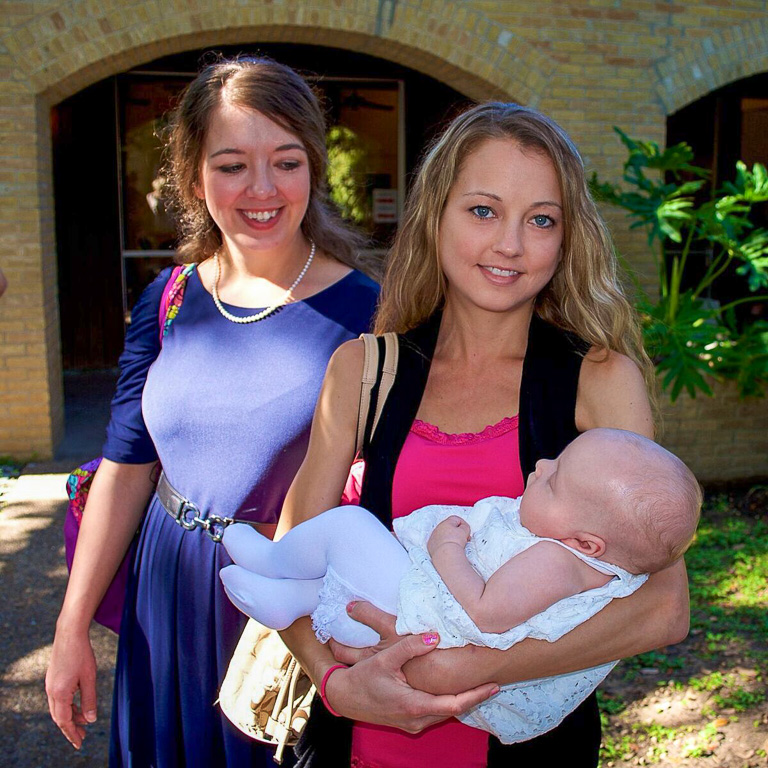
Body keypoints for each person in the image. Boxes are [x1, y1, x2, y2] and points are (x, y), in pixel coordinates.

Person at [266, 101, 691, 768]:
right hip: (365, 743)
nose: (511, 245)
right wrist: (338, 684)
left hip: (531, 749)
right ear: (435, 214)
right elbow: (287, 557)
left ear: (567, 236)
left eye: (541, 220)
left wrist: (459, 667)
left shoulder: (597, 379)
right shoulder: (364, 370)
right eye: (483, 211)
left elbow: (664, 608)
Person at [45, 56, 379, 768]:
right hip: (162, 593)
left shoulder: (370, 314)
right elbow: (126, 467)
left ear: (313, 170)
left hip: (281, 609)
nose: (261, 189)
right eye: (232, 165)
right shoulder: (166, 299)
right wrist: (71, 629)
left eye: (285, 162)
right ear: (195, 176)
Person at [220, 427, 700, 744]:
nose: (542, 466)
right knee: (351, 567)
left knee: (348, 527)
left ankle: (273, 560)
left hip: (426, 632)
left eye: (554, 483)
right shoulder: (579, 546)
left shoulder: (556, 560)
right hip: (401, 630)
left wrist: (445, 550)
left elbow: (486, 612)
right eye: (556, 462)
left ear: (586, 543)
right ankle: (292, 598)